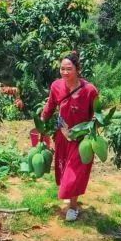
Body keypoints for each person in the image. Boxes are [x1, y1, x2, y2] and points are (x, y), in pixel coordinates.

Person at [39, 51, 99, 222]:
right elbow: (50, 107)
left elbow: (97, 114)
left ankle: (73, 207)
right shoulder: (56, 86)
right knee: (64, 169)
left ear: (77, 69)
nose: (65, 72)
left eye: (69, 69)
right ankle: (71, 197)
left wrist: (93, 129)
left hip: (82, 140)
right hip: (62, 135)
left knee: (74, 173)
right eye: (62, 69)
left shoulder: (90, 90)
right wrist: (41, 122)